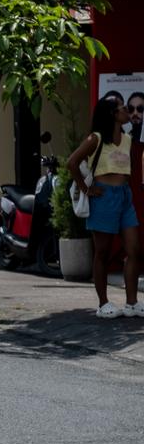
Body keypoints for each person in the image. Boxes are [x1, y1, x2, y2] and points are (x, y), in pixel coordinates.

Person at [66, 95, 140, 318]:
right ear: (113, 114)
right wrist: (86, 188)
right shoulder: (96, 138)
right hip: (104, 197)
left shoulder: (127, 138)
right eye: (123, 108)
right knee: (103, 252)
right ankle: (103, 303)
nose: (128, 111)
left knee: (135, 250)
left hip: (124, 196)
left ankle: (132, 303)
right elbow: (72, 163)